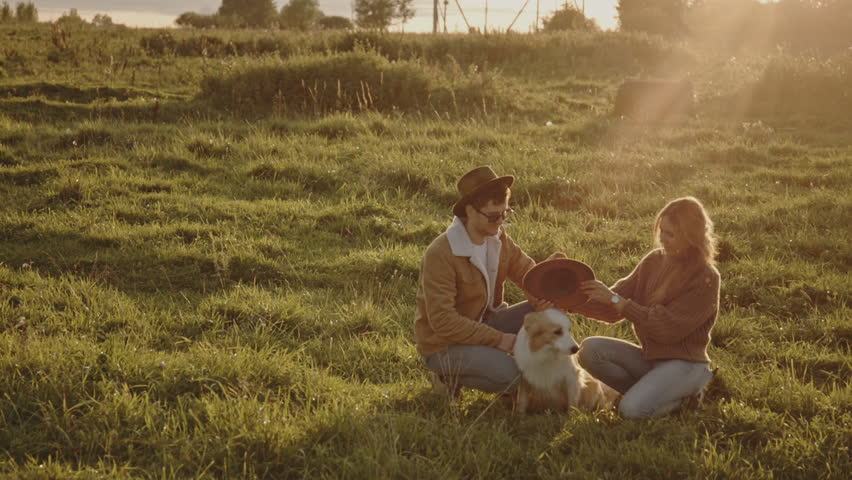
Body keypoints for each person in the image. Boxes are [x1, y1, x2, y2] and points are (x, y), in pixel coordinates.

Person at [413, 166, 557, 399]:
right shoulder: (442, 253)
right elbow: (443, 321)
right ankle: (446, 375)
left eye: (505, 214)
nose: (500, 222)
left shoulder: (497, 238)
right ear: (470, 211)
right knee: (517, 376)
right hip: (445, 345)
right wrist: (500, 340)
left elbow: (527, 271)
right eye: (493, 216)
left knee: (551, 311)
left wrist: (540, 290)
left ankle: (523, 374)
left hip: (486, 323)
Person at [572, 196, 720, 419]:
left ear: (692, 237)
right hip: (651, 359)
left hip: (685, 365)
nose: (663, 239)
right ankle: (652, 393)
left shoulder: (706, 278)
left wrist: (618, 302)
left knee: (630, 410)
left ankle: (685, 397)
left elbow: (666, 328)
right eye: (662, 231)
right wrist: (570, 302)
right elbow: (613, 306)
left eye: (671, 234)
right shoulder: (654, 261)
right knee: (590, 350)